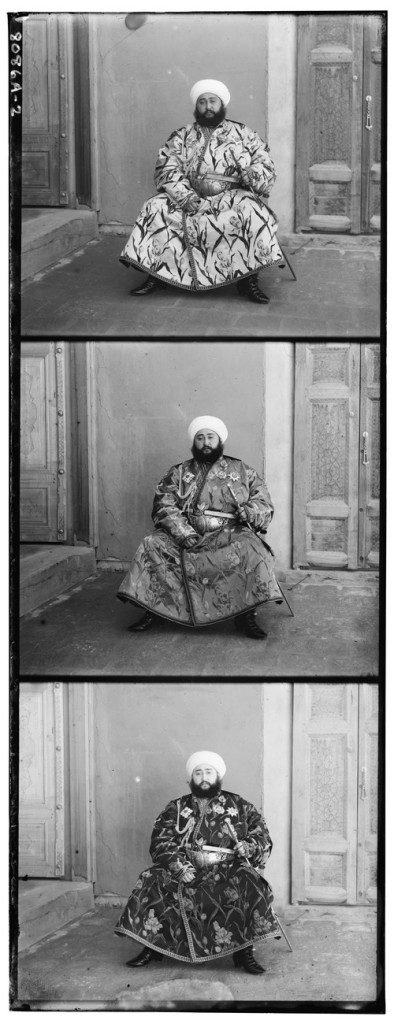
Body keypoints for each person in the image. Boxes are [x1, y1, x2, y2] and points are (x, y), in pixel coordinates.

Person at [117, 415, 282, 640]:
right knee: (152, 544)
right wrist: (183, 532)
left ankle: (245, 616)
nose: (205, 442)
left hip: (228, 534)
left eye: (210, 437)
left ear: (219, 439)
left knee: (252, 547)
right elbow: (163, 502)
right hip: (187, 532)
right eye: (200, 438)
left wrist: (250, 512)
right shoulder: (179, 471)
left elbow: (264, 503)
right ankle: (153, 609)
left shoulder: (242, 470)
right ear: (194, 442)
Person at [115, 751, 280, 973]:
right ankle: (152, 947)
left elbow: (262, 836)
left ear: (218, 775)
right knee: (150, 879)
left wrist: (248, 846)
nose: (204, 777)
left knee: (249, 881)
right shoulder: (176, 807)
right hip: (187, 868)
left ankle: (244, 952)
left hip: (227, 869)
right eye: (198, 772)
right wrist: (179, 867)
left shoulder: (240, 805)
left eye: (208, 772)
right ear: (190, 778)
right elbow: (161, 839)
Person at [120, 79, 282, 303]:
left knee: (253, 212)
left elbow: (265, 163)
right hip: (189, 196)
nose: (208, 107)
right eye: (202, 102)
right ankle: (156, 274)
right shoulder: (181, 135)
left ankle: (248, 281)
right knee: (154, 207)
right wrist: (185, 196)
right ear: (196, 107)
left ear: (222, 104)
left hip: (231, 196)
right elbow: (167, 167)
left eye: (212, 101)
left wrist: (251, 174)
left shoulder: (244, 133)